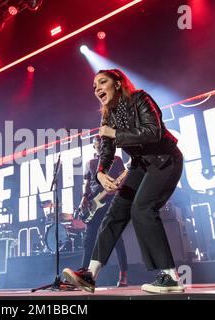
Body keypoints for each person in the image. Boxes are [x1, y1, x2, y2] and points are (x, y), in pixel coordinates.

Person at [63, 69, 184, 294]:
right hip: (140, 164)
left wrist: (115, 134)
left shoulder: (140, 99)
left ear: (118, 83)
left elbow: (153, 132)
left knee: (142, 208)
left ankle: (170, 276)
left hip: (165, 159)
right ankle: (90, 274)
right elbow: (106, 150)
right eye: (94, 87)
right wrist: (100, 171)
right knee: (115, 212)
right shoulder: (108, 116)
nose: (97, 89)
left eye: (102, 82)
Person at [77, 135, 128, 287]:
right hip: (94, 205)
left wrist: (117, 187)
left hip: (111, 201)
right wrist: (84, 198)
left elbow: (123, 176)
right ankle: (83, 272)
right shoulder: (90, 163)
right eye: (97, 142)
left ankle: (123, 274)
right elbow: (86, 183)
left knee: (116, 239)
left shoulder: (116, 160)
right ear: (94, 146)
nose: (99, 144)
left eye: (102, 142)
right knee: (89, 240)